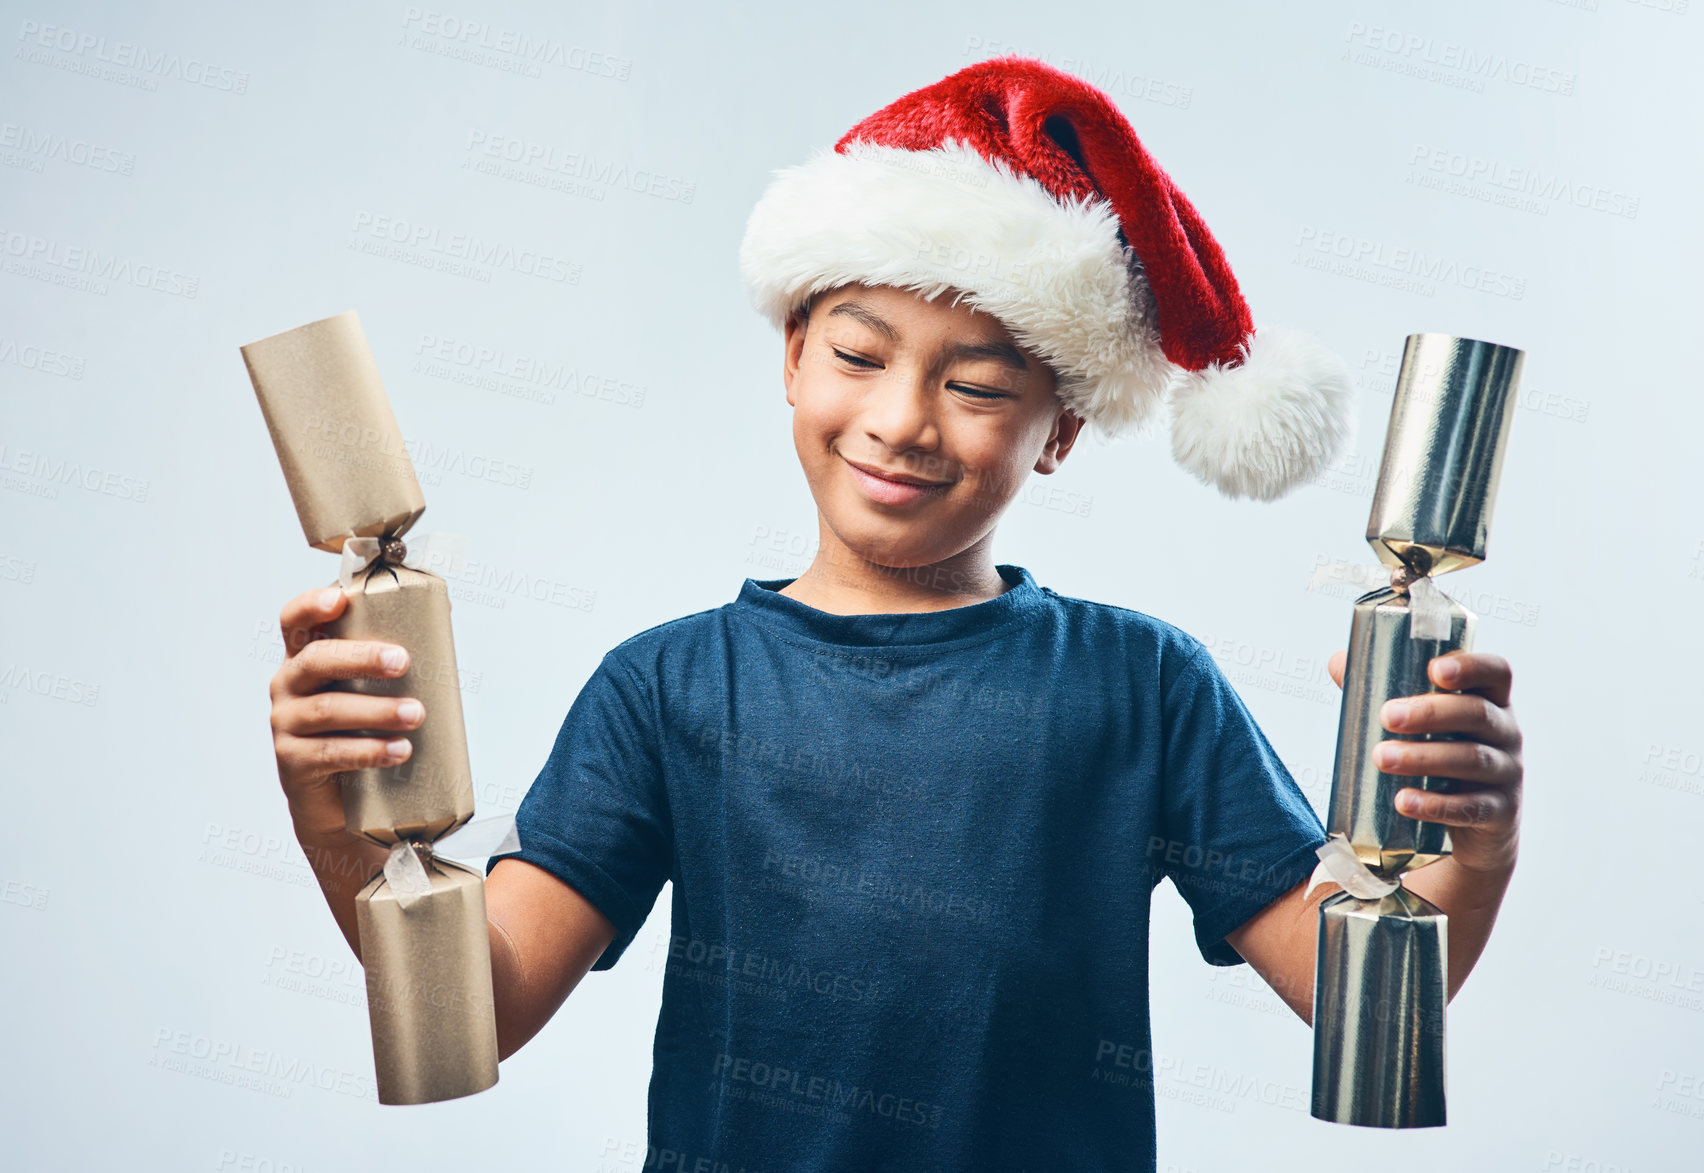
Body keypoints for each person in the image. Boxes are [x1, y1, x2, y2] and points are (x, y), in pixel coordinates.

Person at [265, 58, 1523, 1171]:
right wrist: (338, 814)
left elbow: (1356, 997)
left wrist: (1475, 848)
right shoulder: (666, 690)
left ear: (1062, 430)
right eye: (860, 357)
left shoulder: (1143, 685)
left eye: (977, 383)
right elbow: (472, 1011)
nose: (904, 420)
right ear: (793, 355)